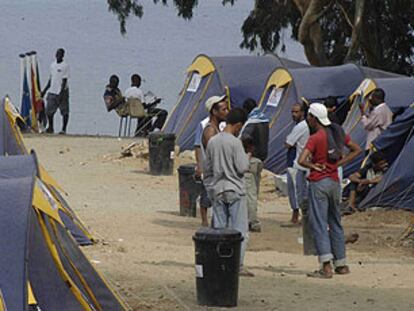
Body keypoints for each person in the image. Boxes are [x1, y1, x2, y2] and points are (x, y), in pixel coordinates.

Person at [298, 103, 361, 279]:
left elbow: (301, 160)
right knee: (335, 222)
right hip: (334, 182)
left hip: (319, 183)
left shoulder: (315, 137)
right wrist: (339, 164)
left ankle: (326, 266)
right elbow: (356, 149)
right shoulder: (337, 132)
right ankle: (341, 264)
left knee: (319, 223)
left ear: (313, 118)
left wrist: (313, 165)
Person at [204, 108, 253, 277]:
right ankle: (237, 265)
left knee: (219, 229)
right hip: (235, 189)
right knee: (239, 231)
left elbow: (207, 168)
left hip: (217, 189)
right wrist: (248, 156)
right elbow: (242, 167)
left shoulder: (213, 141)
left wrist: (210, 187)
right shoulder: (235, 143)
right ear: (238, 125)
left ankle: (219, 262)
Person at [195, 95, 229, 226]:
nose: (226, 112)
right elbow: (213, 154)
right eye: (223, 110)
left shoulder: (219, 127)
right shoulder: (209, 130)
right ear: (214, 112)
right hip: (213, 175)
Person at [240, 98, 269, 232]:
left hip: (251, 160)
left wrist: (247, 151)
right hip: (261, 160)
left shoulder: (251, 123)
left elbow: (245, 137)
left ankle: (252, 221)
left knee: (249, 193)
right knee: (254, 192)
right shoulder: (264, 121)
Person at [285, 103, 309, 225]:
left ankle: (295, 217)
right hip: (301, 161)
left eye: (296, 112)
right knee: (301, 190)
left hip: (296, 161)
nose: (294, 114)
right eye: (292, 112)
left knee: (295, 189)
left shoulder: (300, 127)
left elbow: (288, 143)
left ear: (302, 113)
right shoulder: (303, 126)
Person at [41, 48, 70, 134]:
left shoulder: (65, 66)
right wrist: (44, 90)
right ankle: (50, 128)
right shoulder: (52, 65)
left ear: (63, 55)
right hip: (52, 90)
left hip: (62, 92)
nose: (58, 55)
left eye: (60, 54)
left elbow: (65, 80)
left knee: (64, 111)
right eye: (57, 53)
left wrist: (61, 92)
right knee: (49, 111)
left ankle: (63, 129)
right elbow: (51, 79)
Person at [360, 88, 393, 152]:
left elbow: (367, 125)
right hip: (382, 142)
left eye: (372, 98)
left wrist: (362, 112)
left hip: (374, 143)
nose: (370, 100)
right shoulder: (386, 109)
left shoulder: (378, 111)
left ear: (376, 98)